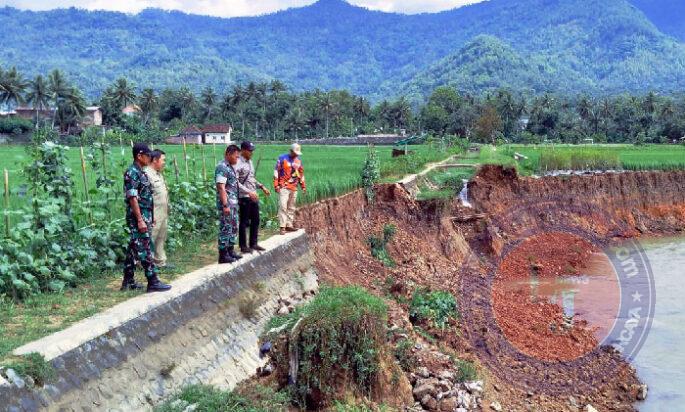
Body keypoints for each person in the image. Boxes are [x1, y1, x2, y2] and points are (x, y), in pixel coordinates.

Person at [122, 143, 171, 293]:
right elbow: (133, 199)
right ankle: (153, 281)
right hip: (139, 218)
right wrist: (140, 220)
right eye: (147, 155)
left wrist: (150, 216)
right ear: (139, 156)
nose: (150, 158)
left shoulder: (141, 172)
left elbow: (146, 197)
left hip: (146, 216)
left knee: (133, 249)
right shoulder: (132, 173)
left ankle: (128, 281)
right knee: (145, 249)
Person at [235, 141, 271, 254]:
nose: (251, 153)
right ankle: (243, 246)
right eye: (250, 150)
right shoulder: (237, 163)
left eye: (252, 150)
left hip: (253, 195)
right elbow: (235, 182)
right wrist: (248, 192)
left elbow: (251, 178)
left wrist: (261, 186)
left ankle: (253, 243)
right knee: (244, 221)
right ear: (243, 150)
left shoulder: (250, 162)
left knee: (256, 220)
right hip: (244, 196)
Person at [215, 144, 243, 264]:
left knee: (233, 226)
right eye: (236, 156)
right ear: (229, 154)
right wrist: (225, 205)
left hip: (233, 203)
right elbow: (221, 187)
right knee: (226, 227)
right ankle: (223, 254)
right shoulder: (222, 167)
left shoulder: (230, 167)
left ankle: (230, 250)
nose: (237, 159)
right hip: (226, 203)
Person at [145, 149, 171, 269]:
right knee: (150, 238)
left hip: (163, 212)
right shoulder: (146, 174)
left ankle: (160, 262)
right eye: (163, 160)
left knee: (161, 237)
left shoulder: (158, 174)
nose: (164, 162)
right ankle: (145, 264)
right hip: (154, 213)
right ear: (155, 160)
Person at [274, 143, 306, 235]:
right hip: (283, 186)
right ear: (291, 151)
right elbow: (276, 171)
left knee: (291, 207)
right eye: (295, 152)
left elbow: (301, 174)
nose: (296, 155)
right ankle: (282, 227)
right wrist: (276, 185)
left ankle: (289, 225)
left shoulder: (298, 161)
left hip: (294, 187)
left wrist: (303, 186)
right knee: (283, 206)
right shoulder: (282, 158)